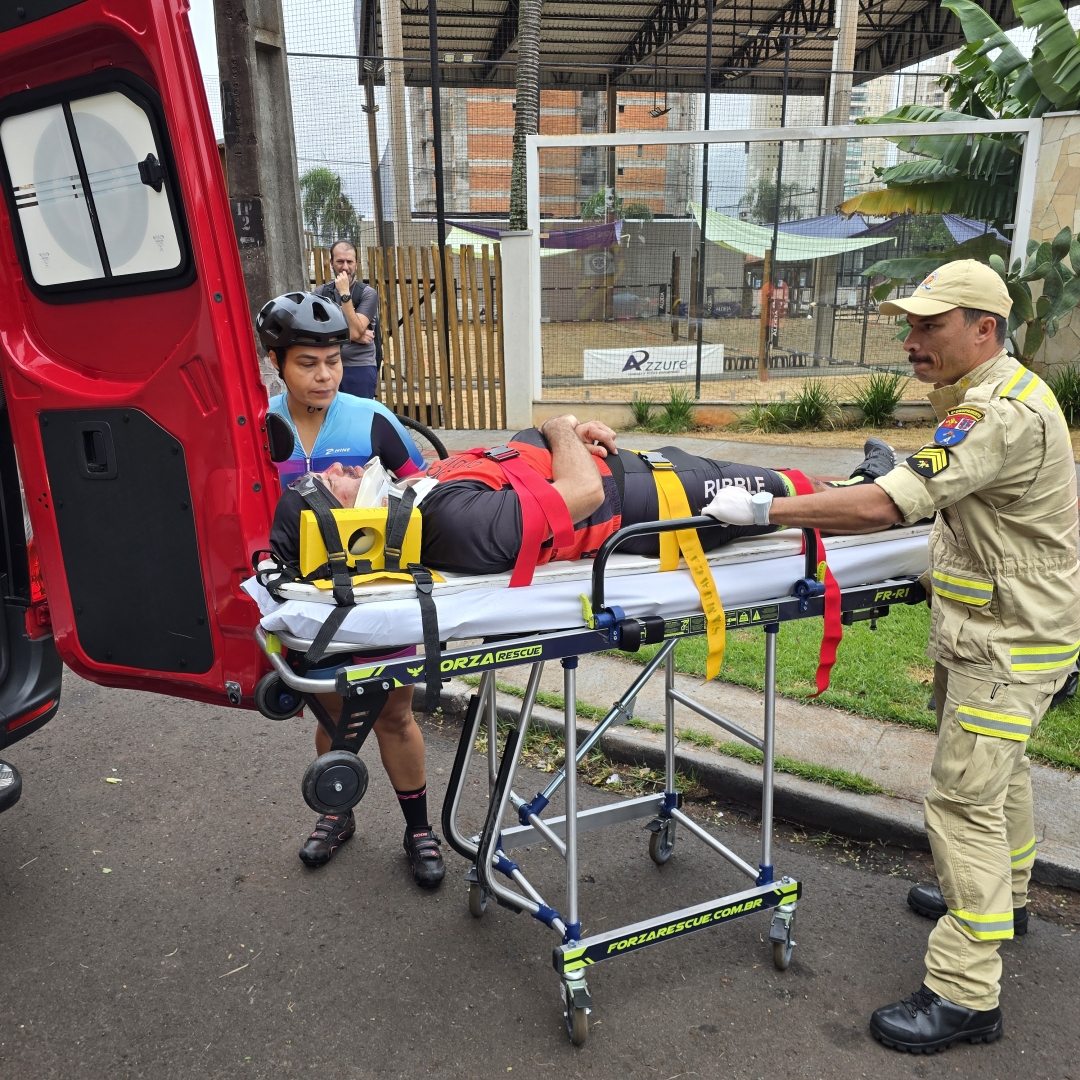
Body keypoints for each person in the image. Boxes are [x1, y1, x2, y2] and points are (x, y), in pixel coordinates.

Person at [704, 259, 1080, 1055]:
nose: (911, 340)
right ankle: (1004, 902)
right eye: (909, 325)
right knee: (998, 776)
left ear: (985, 329)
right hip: (1004, 629)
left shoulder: (997, 414)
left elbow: (885, 505)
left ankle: (966, 993)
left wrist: (763, 508)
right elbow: (939, 496)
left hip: (1007, 641)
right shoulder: (993, 396)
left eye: (929, 326)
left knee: (963, 803)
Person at [255, 292, 441, 885]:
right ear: (276, 361)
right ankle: (338, 812)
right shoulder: (260, 424)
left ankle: (419, 829)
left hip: (376, 600)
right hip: (303, 606)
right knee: (331, 709)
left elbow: (426, 496)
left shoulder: (370, 417)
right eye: (308, 362)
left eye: (333, 360)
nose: (325, 374)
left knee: (394, 712)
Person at [314, 240, 381, 399]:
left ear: (356, 263)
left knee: (359, 419)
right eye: (339, 261)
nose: (345, 267)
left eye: (349, 262)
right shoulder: (320, 293)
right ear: (331, 263)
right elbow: (314, 334)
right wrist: (351, 336)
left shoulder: (367, 294)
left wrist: (345, 294)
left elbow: (356, 331)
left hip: (359, 367)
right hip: (326, 367)